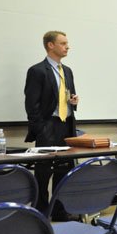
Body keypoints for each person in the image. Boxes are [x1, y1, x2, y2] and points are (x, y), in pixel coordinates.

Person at [24, 31, 80, 219]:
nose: (67, 46)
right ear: (50, 45)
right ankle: (40, 212)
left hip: (66, 125)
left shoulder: (68, 70)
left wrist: (74, 101)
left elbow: (68, 95)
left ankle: (59, 209)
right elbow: (32, 105)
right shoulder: (37, 71)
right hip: (47, 126)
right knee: (43, 171)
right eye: (63, 43)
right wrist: (40, 129)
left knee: (65, 169)